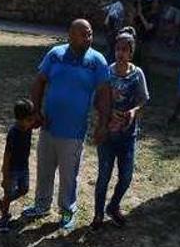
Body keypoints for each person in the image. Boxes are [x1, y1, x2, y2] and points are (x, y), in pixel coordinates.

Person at [21, 19, 113, 233]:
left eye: (90, 34)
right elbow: (39, 81)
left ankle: (67, 210)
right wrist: (36, 111)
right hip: (48, 126)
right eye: (84, 34)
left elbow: (104, 95)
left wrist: (102, 124)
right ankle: (41, 205)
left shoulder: (96, 61)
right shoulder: (55, 55)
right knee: (44, 168)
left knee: (69, 174)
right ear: (70, 35)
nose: (88, 38)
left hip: (73, 131)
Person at [92, 27, 149, 230]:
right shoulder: (106, 73)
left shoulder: (137, 74)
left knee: (125, 177)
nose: (120, 53)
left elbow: (143, 100)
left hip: (127, 136)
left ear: (131, 52)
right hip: (107, 134)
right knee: (103, 177)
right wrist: (107, 114)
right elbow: (96, 100)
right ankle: (98, 214)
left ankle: (113, 206)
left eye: (125, 49)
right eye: (118, 49)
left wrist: (133, 112)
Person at [0, 100, 38, 233]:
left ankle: (3, 203)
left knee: (24, 189)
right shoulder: (13, 133)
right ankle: (3, 220)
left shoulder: (28, 127)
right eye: (29, 119)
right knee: (8, 193)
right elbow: (7, 155)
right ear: (20, 119)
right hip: (12, 169)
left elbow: (39, 122)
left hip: (24, 168)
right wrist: (5, 175)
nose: (32, 122)